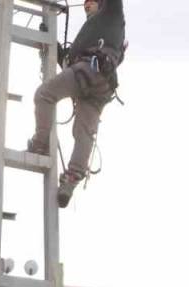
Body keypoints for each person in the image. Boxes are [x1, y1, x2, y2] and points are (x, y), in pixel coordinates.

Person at [26, 0, 126, 207]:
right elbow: (68, 64)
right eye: (85, 3)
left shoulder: (112, 15)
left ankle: (40, 144)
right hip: (98, 84)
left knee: (44, 95)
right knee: (84, 132)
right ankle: (72, 179)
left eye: (91, 2)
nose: (87, 5)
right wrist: (53, 44)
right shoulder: (93, 32)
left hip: (90, 73)